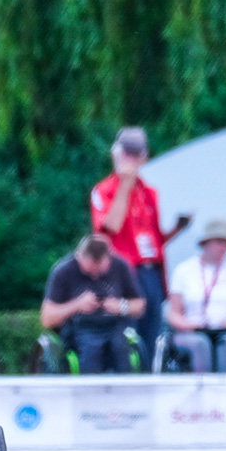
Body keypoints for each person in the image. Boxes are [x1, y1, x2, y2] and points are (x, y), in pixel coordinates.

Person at [90, 127, 191, 356]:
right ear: (117, 153)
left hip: (151, 272)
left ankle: (150, 375)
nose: (132, 160)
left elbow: (154, 243)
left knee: (152, 334)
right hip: (124, 271)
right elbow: (110, 228)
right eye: (128, 154)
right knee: (128, 334)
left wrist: (178, 228)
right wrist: (125, 184)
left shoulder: (148, 193)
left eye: (137, 155)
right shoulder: (104, 191)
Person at [41, 234, 145, 373]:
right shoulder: (63, 271)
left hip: (115, 326)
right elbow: (47, 318)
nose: (95, 276)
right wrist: (77, 305)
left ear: (109, 258)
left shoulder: (120, 266)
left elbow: (140, 305)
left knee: (120, 349)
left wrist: (121, 306)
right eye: (90, 271)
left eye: (100, 271)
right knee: (90, 348)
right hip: (79, 329)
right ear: (79, 256)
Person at [167, 218, 226, 371]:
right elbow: (173, 313)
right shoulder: (184, 270)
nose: (224, 247)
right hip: (192, 330)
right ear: (206, 242)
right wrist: (188, 325)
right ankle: (203, 389)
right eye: (220, 241)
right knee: (200, 344)